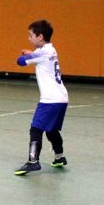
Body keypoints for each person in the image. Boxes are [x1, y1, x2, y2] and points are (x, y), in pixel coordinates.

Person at [14, 20, 69, 176]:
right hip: (62, 98)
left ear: (40, 37)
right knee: (51, 130)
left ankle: (33, 162)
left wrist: (29, 55)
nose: (29, 39)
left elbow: (20, 62)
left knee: (36, 129)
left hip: (50, 99)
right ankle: (59, 157)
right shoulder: (50, 49)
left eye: (30, 35)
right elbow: (39, 56)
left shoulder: (42, 53)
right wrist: (32, 54)